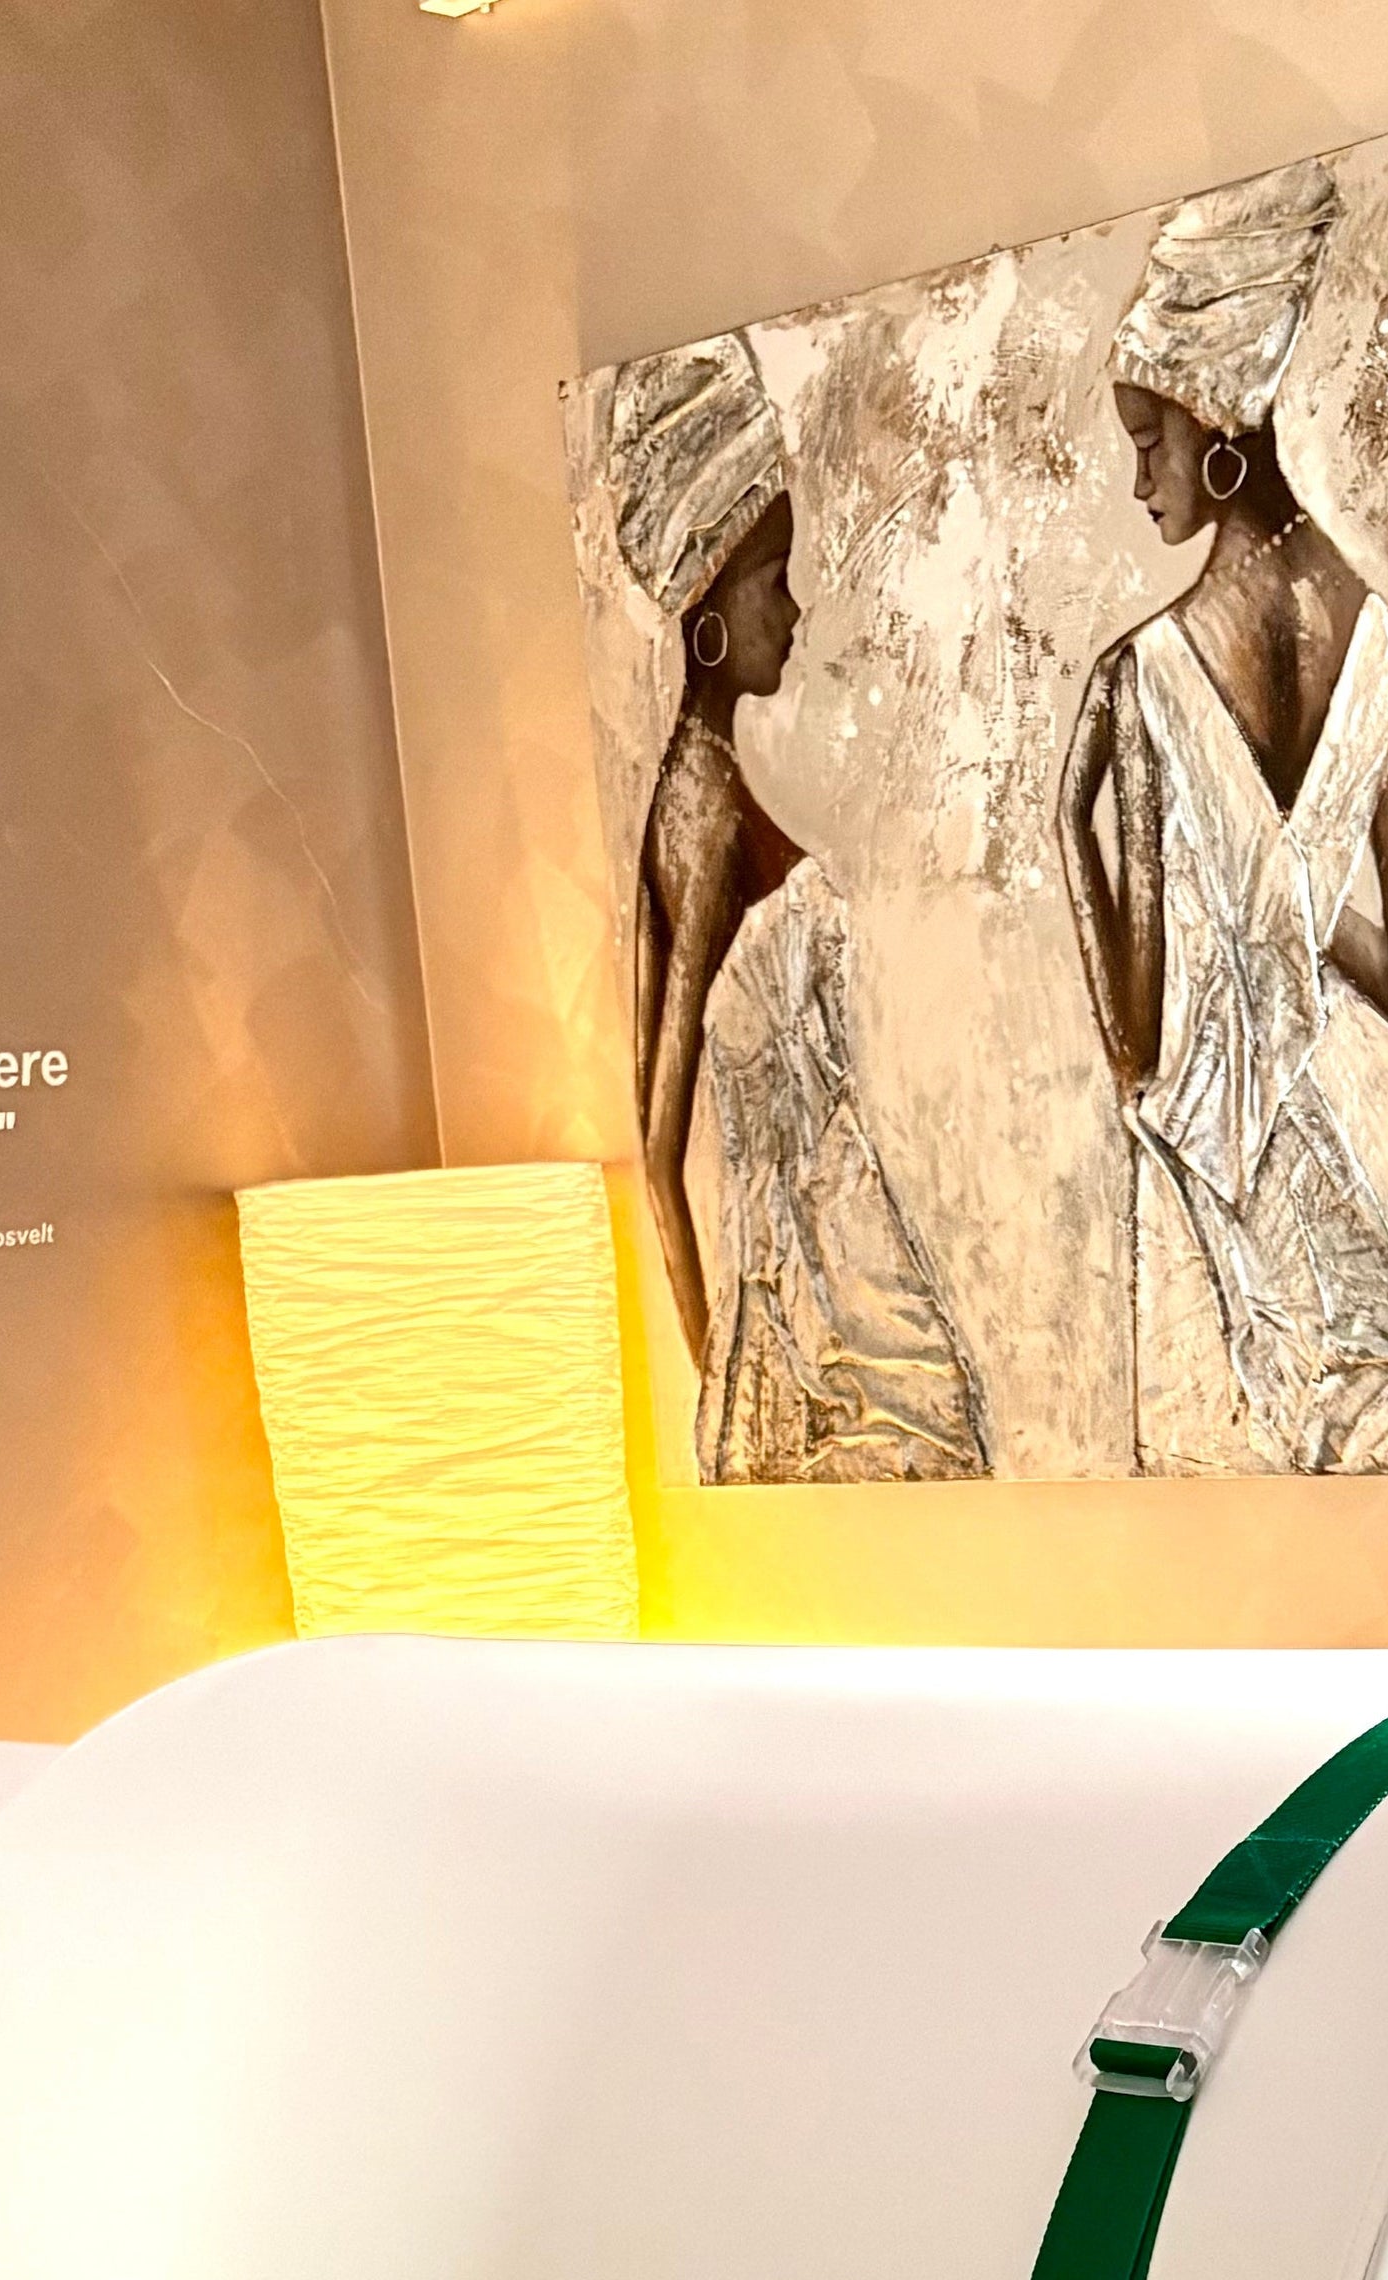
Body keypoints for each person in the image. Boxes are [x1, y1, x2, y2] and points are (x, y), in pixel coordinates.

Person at [1057, 161, 1388, 1476]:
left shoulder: (1144, 675)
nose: (1138, 480)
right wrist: (1289, 904)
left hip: (1212, 1224)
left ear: (1214, 423)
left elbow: (1138, 1039)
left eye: (1149, 443)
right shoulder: (1383, 646)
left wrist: (1074, 833)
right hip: (1340, 1257)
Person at [605, 334, 987, 1484]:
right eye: (774, 577)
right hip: (824, 1298)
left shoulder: (698, 793)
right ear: (710, 616)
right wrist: (716, 1363)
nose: (798, 605)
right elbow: (658, 1138)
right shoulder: (708, 819)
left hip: (831, 1275)